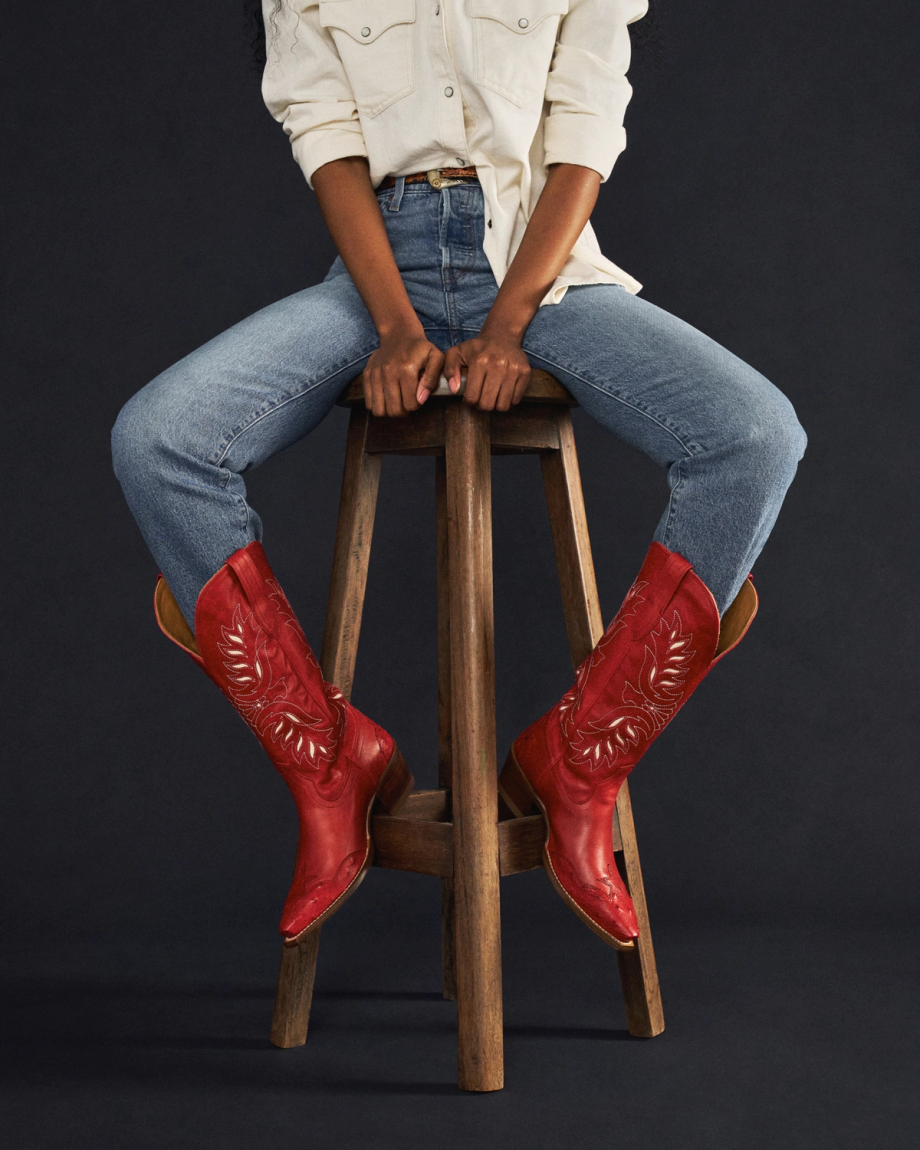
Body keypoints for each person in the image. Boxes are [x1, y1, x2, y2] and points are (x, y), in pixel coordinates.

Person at [112, 0, 806, 951]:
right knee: (160, 439)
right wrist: (396, 325)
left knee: (756, 435)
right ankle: (328, 765)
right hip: (376, 271)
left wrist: (512, 320)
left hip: (543, 266)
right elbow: (327, 138)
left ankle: (579, 761)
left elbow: (586, 133)